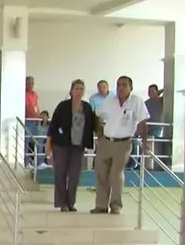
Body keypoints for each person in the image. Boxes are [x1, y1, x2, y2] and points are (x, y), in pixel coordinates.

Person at [92, 75, 150, 214]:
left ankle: (116, 205)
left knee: (116, 175)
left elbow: (142, 122)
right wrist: (99, 133)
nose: (120, 88)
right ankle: (101, 205)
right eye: (118, 85)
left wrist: (145, 141)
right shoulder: (109, 101)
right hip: (106, 141)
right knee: (101, 174)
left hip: (123, 143)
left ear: (131, 87)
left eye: (124, 85)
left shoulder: (136, 101)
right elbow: (97, 115)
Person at [45, 80, 98, 212]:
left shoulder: (87, 107)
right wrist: (48, 144)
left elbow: (93, 125)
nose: (79, 91)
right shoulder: (63, 106)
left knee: (75, 175)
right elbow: (53, 126)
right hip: (61, 144)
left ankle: (71, 202)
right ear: (71, 90)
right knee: (60, 173)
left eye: (81, 89)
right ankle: (62, 202)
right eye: (77, 88)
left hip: (78, 146)